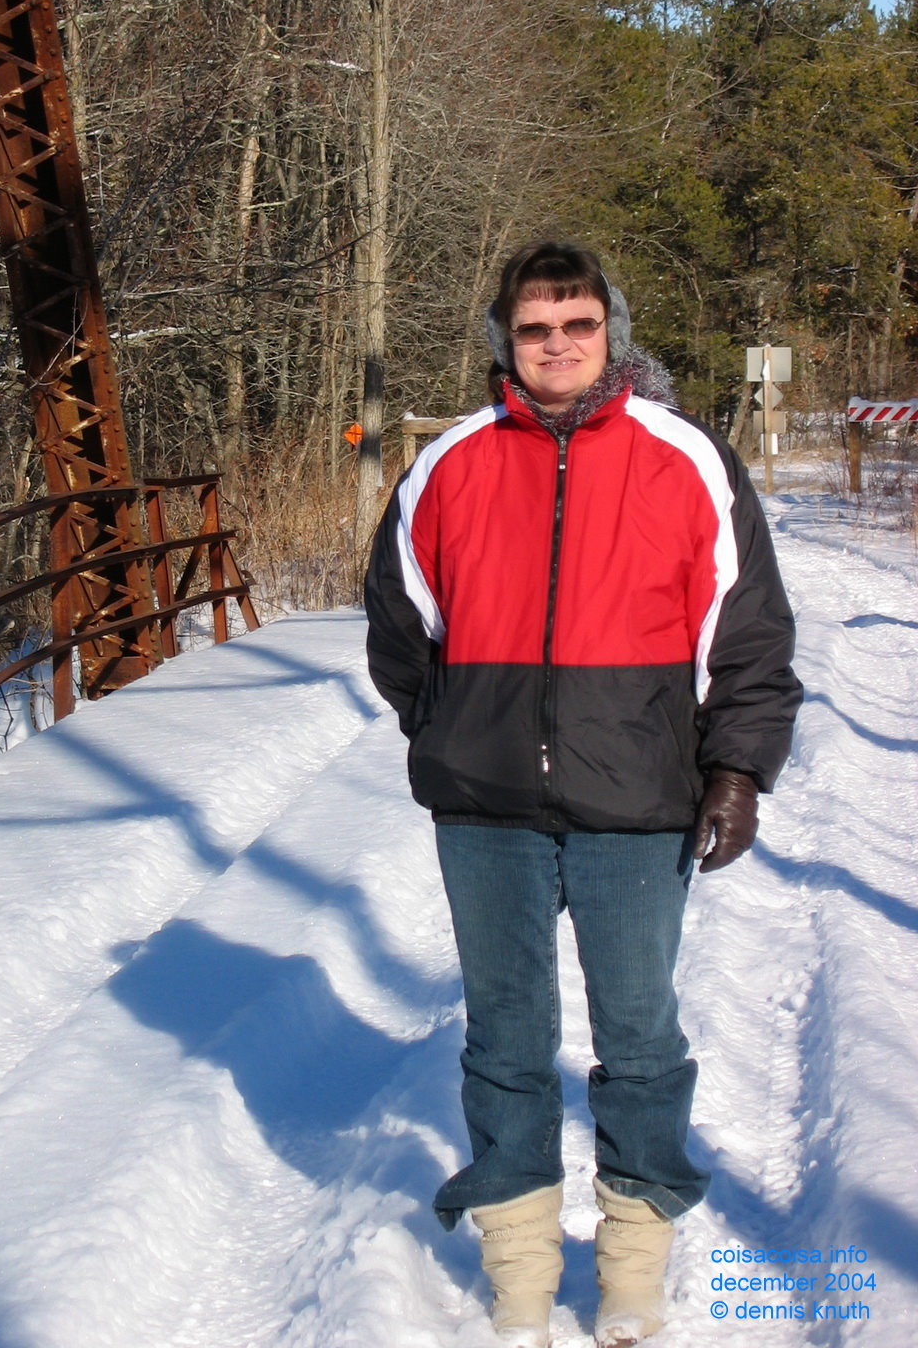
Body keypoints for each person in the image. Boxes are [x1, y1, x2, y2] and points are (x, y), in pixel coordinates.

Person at [364, 241, 801, 1348]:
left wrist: (736, 770)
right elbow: (399, 627)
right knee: (505, 1040)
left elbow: (749, 635)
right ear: (504, 341)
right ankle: (519, 1274)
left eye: (579, 326)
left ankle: (631, 1267)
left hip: (639, 802)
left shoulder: (685, 458)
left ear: (612, 331)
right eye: (534, 329)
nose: (557, 346)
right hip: (486, 807)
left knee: (641, 1036)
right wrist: (455, 728)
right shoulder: (450, 463)